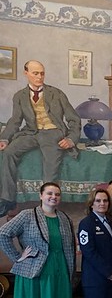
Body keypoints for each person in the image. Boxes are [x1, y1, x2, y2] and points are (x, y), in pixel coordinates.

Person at [0, 182, 76, 298]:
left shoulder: (64, 218)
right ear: (41, 195)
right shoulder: (28, 215)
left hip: (59, 271)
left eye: (57, 194)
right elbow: (3, 233)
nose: (54, 197)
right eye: (49, 193)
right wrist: (18, 258)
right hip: (34, 274)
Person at [0, 61, 81, 218]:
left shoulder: (57, 93)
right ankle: (8, 200)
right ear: (26, 73)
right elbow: (15, 121)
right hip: (31, 132)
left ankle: (47, 207)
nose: (39, 77)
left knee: (50, 168)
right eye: (35, 73)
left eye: (42, 73)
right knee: (9, 152)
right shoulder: (20, 96)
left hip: (53, 133)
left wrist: (71, 138)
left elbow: (74, 118)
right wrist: (4, 139)